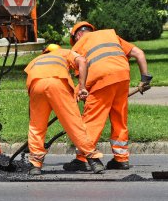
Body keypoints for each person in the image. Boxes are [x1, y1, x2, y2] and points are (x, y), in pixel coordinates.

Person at [63, 22, 152, 172]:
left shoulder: (79, 45)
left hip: (101, 79)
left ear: (77, 35)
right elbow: (139, 53)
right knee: (119, 120)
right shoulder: (110, 36)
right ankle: (121, 159)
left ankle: (83, 159)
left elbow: (83, 78)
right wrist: (145, 79)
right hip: (123, 77)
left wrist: (80, 91)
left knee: (92, 120)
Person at [24, 43, 105, 175]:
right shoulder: (64, 53)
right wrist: (82, 87)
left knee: (36, 126)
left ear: (45, 52)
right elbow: (83, 61)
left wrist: (32, 117)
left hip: (36, 85)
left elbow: (32, 89)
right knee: (74, 124)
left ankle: (35, 165)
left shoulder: (36, 60)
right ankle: (93, 159)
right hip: (57, 83)